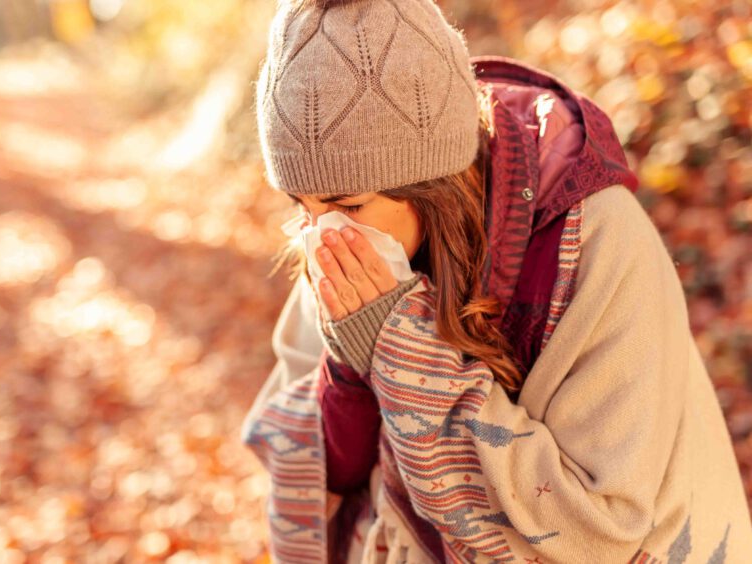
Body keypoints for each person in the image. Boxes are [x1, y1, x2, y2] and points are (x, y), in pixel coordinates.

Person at [239, 0, 752, 562]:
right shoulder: (344, 248)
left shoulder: (592, 240)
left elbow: (601, 527)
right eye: (301, 205)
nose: (321, 231)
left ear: (432, 184)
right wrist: (352, 368)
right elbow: (323, 475)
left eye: (348, 204)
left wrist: (405, 353)